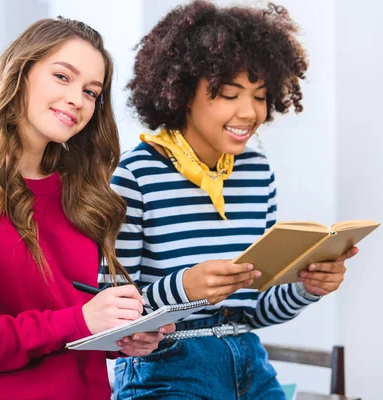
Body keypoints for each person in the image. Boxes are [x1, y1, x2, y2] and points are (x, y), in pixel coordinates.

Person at [105, 2, 358, 399]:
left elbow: (256, 309)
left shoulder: (258, 174)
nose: (250, 112)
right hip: (165, 368)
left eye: (260, 96)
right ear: (183, 91)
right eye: (229, 94)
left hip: (249, 362)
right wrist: (183, 288)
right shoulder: (136, 176)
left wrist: (306, 286)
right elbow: (108, 316)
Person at [0, 17, 173, 400]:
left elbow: (67, 331)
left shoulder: (78, 189)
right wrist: (80, 320)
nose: (77, 99)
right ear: (20, 72)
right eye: (63, 77)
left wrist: (120, 336)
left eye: (91, 91)